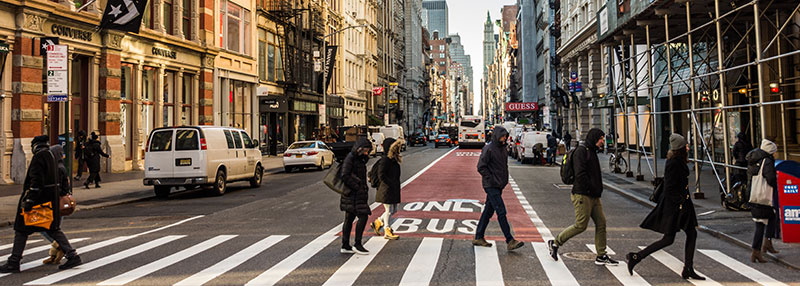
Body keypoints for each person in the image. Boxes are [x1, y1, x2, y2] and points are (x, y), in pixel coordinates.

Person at [626, 134, 705, 280]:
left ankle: (688, 268)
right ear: (680, 148)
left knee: (686, 235)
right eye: (686, 145)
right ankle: (636, 257)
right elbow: (670, 188)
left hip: (681, 204)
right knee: (671, 238)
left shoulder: (677, 161)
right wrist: (680, 203)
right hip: (677, 206)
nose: (688, 147)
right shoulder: (674, 163)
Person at [0, 135, 82, 273]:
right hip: (50, 202)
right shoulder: (51, 155)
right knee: (53, 229)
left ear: (35, 146)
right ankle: (72, 255)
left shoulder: (39, 157)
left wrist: (29, 201)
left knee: (21, 231)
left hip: (38, 203)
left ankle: (14, 261)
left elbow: (36, 182)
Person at [549, 128, 618, 265]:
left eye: (603, 139)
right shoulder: (582, 151)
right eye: (601, 139)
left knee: (601, 223)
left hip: (593, 196)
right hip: (582, 195)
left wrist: (596, 190)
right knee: (581, 225)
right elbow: (580, 175)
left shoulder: (591, 151)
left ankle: (601, 255)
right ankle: (556, 242)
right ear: (594, 138)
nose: (602, 141)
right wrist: (591, 188)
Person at [473, 126, 524, 251]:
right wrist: (490, 179)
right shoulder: (488, 149)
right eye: (503, 136)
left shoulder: (503, 148)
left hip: (499, 184)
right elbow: (481, 167)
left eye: (505, 136)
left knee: (488, 211)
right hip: (491, 185)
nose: (504, 138)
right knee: (501, 211)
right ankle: (509, 240)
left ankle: (479, 236)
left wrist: (502, 180)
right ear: (497, 136)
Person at [746, 139, 781, 263]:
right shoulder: (767, 161)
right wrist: (775, 185)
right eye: (775, 151)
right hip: (763, 196)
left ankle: (765, 244)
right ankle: (758, 250)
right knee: (763, 223)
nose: (776, 154)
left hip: (754, 195)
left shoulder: (754, 160)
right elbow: (770, 178)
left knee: (767, 219)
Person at [340, 138, 373, 255]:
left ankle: (345, 245)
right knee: (363, 216)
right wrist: (358, 186)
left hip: (354, 193)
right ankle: (357, 244)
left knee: (349, 218)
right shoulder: (351, 158)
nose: (366, 153)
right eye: (365, 151)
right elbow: (344, 175)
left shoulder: (358, 158)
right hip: (353, 194)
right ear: (360, 149)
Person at [371, 138, 403, 240]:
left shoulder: (393, 159)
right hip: (386, 189)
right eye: (396, 147)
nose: (398, 149)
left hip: (392, 189)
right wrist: (390, 184)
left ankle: (378, 222)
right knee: (389, 210)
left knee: (393, 210)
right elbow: (381, 175)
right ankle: (387, 230)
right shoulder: (385, 160)